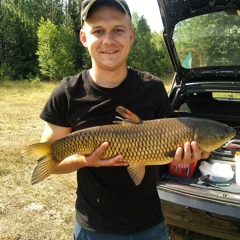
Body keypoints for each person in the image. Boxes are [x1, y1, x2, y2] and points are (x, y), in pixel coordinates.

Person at [39, 0, 210, 239]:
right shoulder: (67, 94)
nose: (109, 40)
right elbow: (52, 164)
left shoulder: (152, 88)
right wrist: (85, 160)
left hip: (149, 222)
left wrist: (188, 159)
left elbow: (167, 150)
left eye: (118, 30)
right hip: (94, 226)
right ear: (83, 37)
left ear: (131, 35)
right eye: (98, 31)